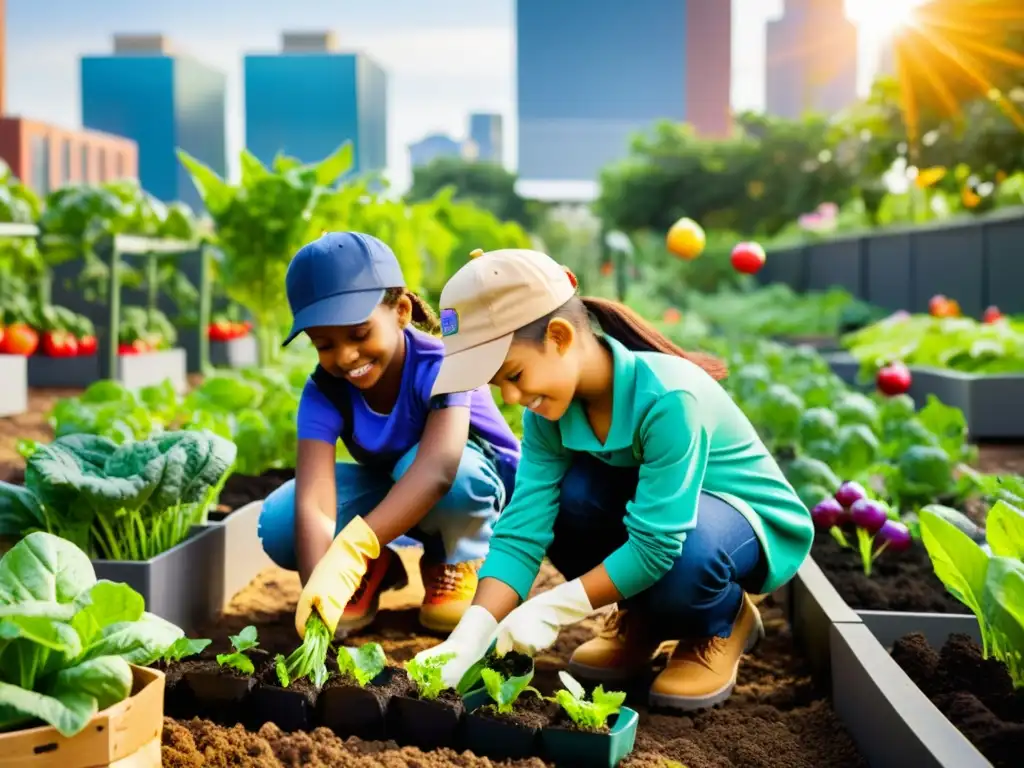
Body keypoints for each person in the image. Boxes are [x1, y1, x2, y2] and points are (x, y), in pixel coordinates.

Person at [411, 248, 814, 711]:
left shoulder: (668, 397)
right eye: (500, 385)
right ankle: (643, 617)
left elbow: (658, 544)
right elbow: (523, 527)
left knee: (688, 556)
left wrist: (554, 607)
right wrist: (471, 634)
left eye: (515, 375)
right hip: (661, 518)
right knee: (567, 500)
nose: (514, 396)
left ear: (559, 337)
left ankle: (721, 621)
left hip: (741, 521)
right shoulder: (550, 414)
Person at [258, 232, 520, 639]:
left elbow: (439, 470)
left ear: (400, 311)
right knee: (281, 520)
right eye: (324, 344)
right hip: (397, 494)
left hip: (470, 496)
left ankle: (455, 560)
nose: (345, 356)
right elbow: (315, 499)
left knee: (438, 471)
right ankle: (376, 570)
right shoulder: (325, 389)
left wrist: (353, 547)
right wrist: (321, 582)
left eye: (359, 335)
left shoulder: (445, 364)